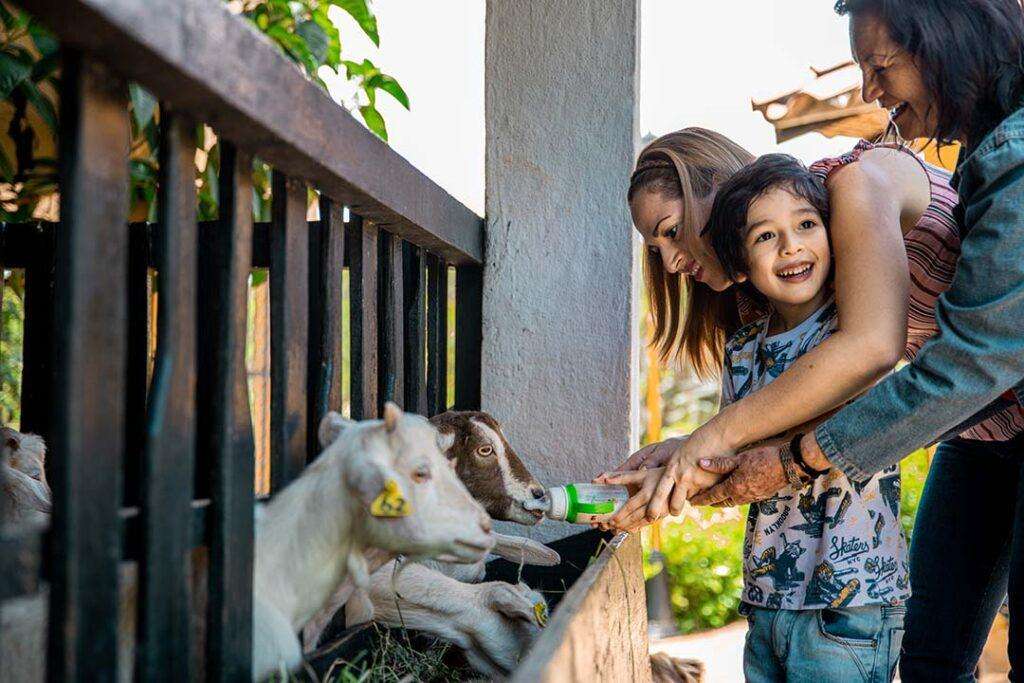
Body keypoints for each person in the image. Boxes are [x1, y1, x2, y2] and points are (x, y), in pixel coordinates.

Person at [662, 1, 1024, 678]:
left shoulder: (865, 181)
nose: (672, 258)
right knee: (930, 657)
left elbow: (905, 354)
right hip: (983, 428)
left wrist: (780, 456)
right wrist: (691, 448)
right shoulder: (778, 299)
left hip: (979, 398)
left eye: (672, 231)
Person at [708, 152, 908, 681]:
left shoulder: (855, 332)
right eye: (765, 236)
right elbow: (729, 454)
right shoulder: (742, 349)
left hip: (852, 600)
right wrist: (664, 478)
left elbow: (871, 419)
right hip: (767, 597)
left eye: (805, 225)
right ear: (740, 265)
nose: (791, 246)